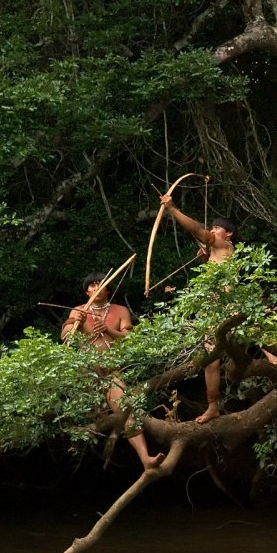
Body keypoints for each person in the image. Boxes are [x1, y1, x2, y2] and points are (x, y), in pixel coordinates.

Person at [61, 272, 164, 470]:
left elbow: (129, 338)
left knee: (127, 411)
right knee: (92, 418)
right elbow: (66, 337)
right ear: (86, 291)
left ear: (107, 288)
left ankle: (146, 459)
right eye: (91, 285)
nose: (95, 287)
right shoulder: (78, 310)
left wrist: (108, 331)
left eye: (99, 284)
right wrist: (76, 323)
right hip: (87, 373)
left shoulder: (120, 310)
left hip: (112, 371)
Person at [159, 193, 238, 423]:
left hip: (228, 307)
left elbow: (197, 231)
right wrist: (205, 259)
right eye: (211, 228)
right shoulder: (215, 253)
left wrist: (172, 209)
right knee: (210, 361)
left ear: (228, 234)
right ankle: (213, 406)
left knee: (254, 332)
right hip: (212, 312)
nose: (212, 231)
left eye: (216, 228)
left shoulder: (226, 245)